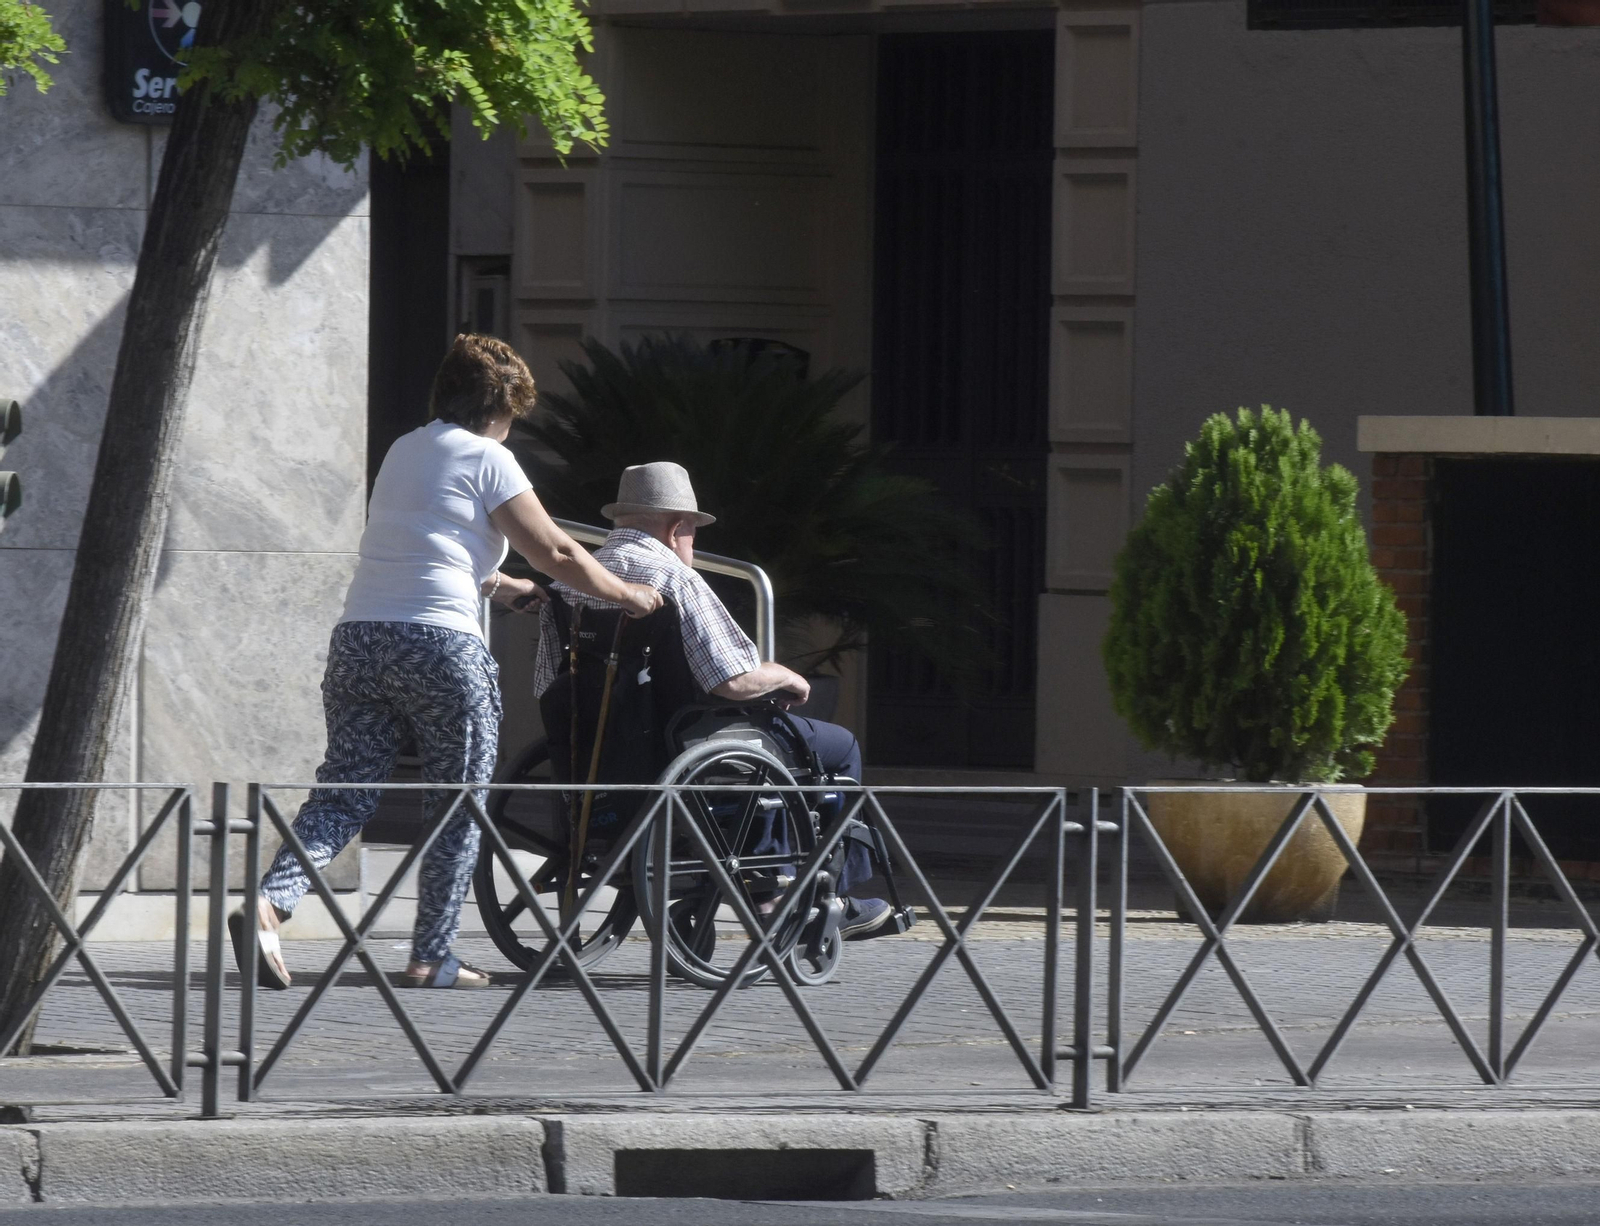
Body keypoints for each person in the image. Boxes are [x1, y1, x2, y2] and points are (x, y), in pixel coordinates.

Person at [231, 334, 662, 991]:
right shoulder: (490, 457)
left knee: (344, 791)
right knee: (457, 801)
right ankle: (432, 956)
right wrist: (629, 593)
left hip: (361, 640)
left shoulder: (406, 450)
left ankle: (270, 901)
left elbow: (426, 549)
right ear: (503, 407)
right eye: (515, 416)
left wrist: (497, 584)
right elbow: (558, 554)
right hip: (441, 651)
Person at [532, 461, 898, 940]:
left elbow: (547, 686)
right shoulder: (674, 579)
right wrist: (786, 675)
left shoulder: (568, 586)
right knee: (838, 746)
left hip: (605, 756)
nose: (692, 543)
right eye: (692, 532)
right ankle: (822, 896)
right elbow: (732, 680)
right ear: (678, 526)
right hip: (685, 743)